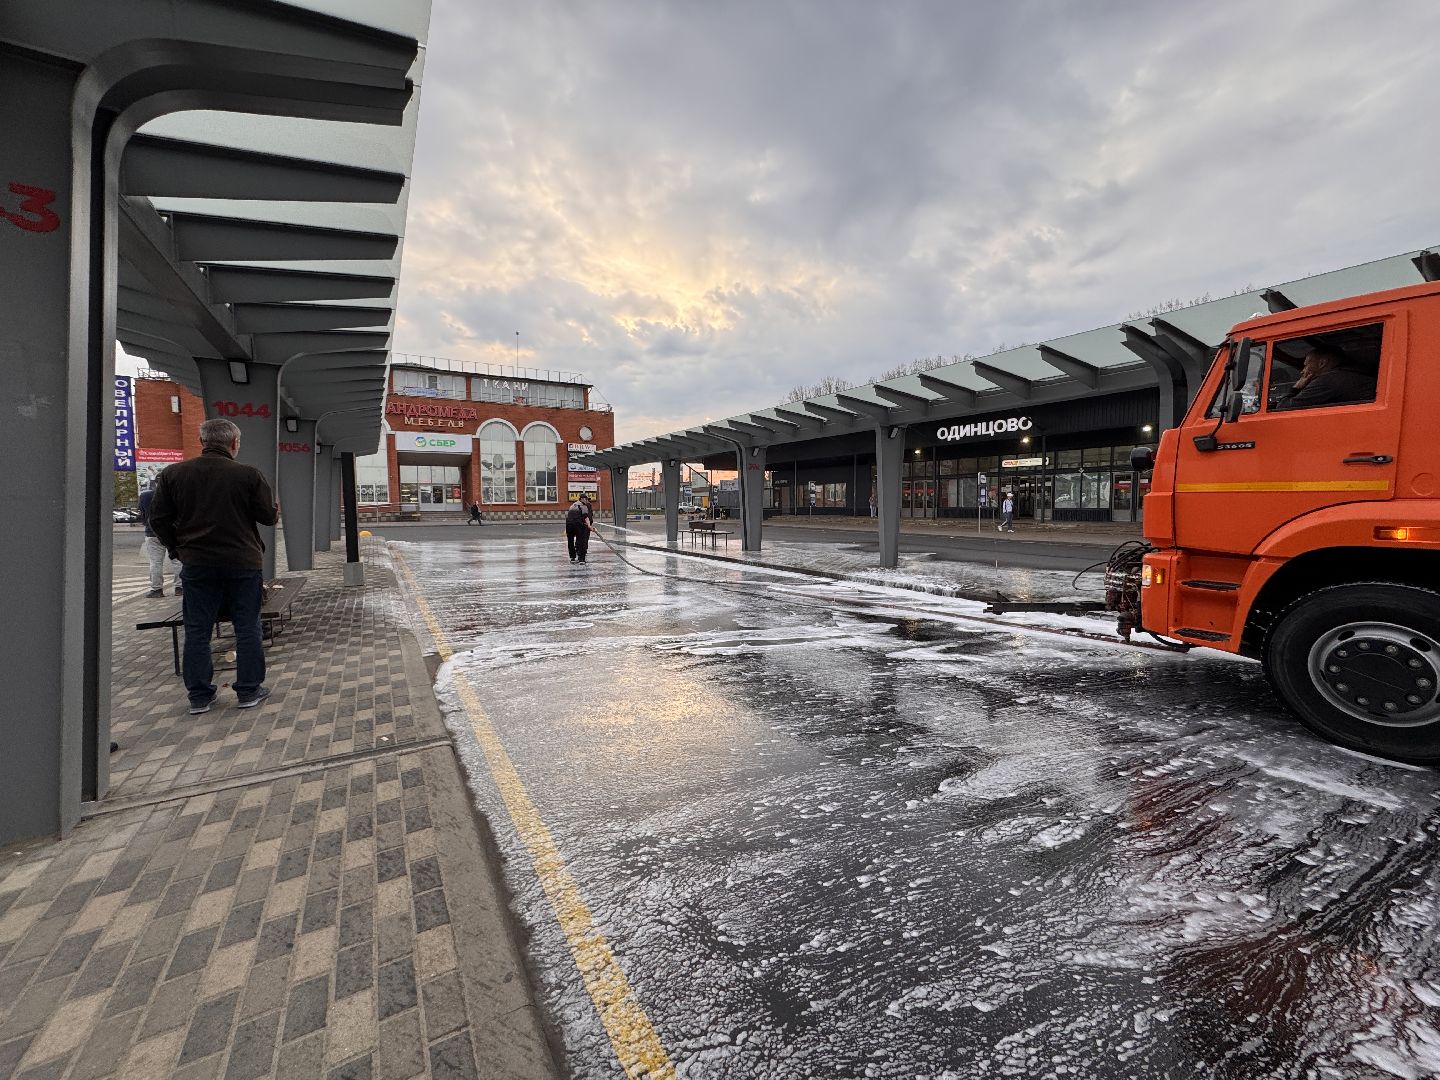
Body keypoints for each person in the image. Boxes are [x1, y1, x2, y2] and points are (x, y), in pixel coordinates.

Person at [149, 418, 279, 715]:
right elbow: (267, 517)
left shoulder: (173, 474)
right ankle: (248, 690)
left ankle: (199, 696)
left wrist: (178, 548)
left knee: (197, 628)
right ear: (234, 443)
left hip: (197, 564)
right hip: (242, 563)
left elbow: (157, 520)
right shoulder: (247, 475)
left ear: (202, 442)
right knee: (247, 626)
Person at [1273, 345, 1376, 410]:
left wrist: (1296, 387)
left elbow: (1283, 407)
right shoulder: (1348, 374)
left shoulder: (1328, 380)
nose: (1302, 371)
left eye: (1306, 365)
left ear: (1322, 363)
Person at [138, 481, 181, 597]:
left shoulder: (144, 496)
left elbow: (142, 513)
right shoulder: (173, 494)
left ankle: (156, 589)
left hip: (152, 533)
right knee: (177, 561)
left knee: (155, 562)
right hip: (172, 532)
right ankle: (179, 588)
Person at [565, 496, 593, 563]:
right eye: (586, 500)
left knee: (570, 541)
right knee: (581, 541)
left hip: (569, 525)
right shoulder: (583, 506)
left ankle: (572, 557)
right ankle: (581, 559)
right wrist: (589, 526)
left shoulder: (572, 505)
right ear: (582, 499)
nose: (587, 501)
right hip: (578, 525)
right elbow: (586, 517)